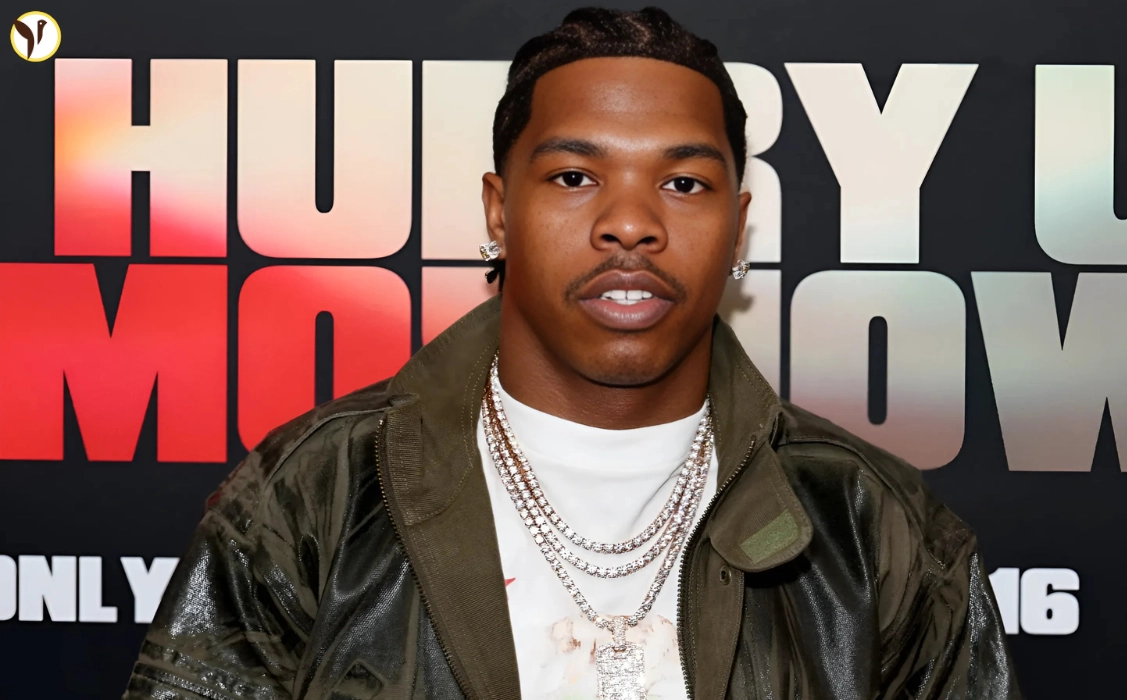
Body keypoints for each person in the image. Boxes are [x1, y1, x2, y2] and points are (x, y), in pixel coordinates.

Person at [121, 7, 1021, 699]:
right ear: (498, 212)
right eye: (574, 177)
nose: (630, 223)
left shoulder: (875, 527)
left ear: (738, 227)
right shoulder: (312, 498)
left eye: (684, 182)